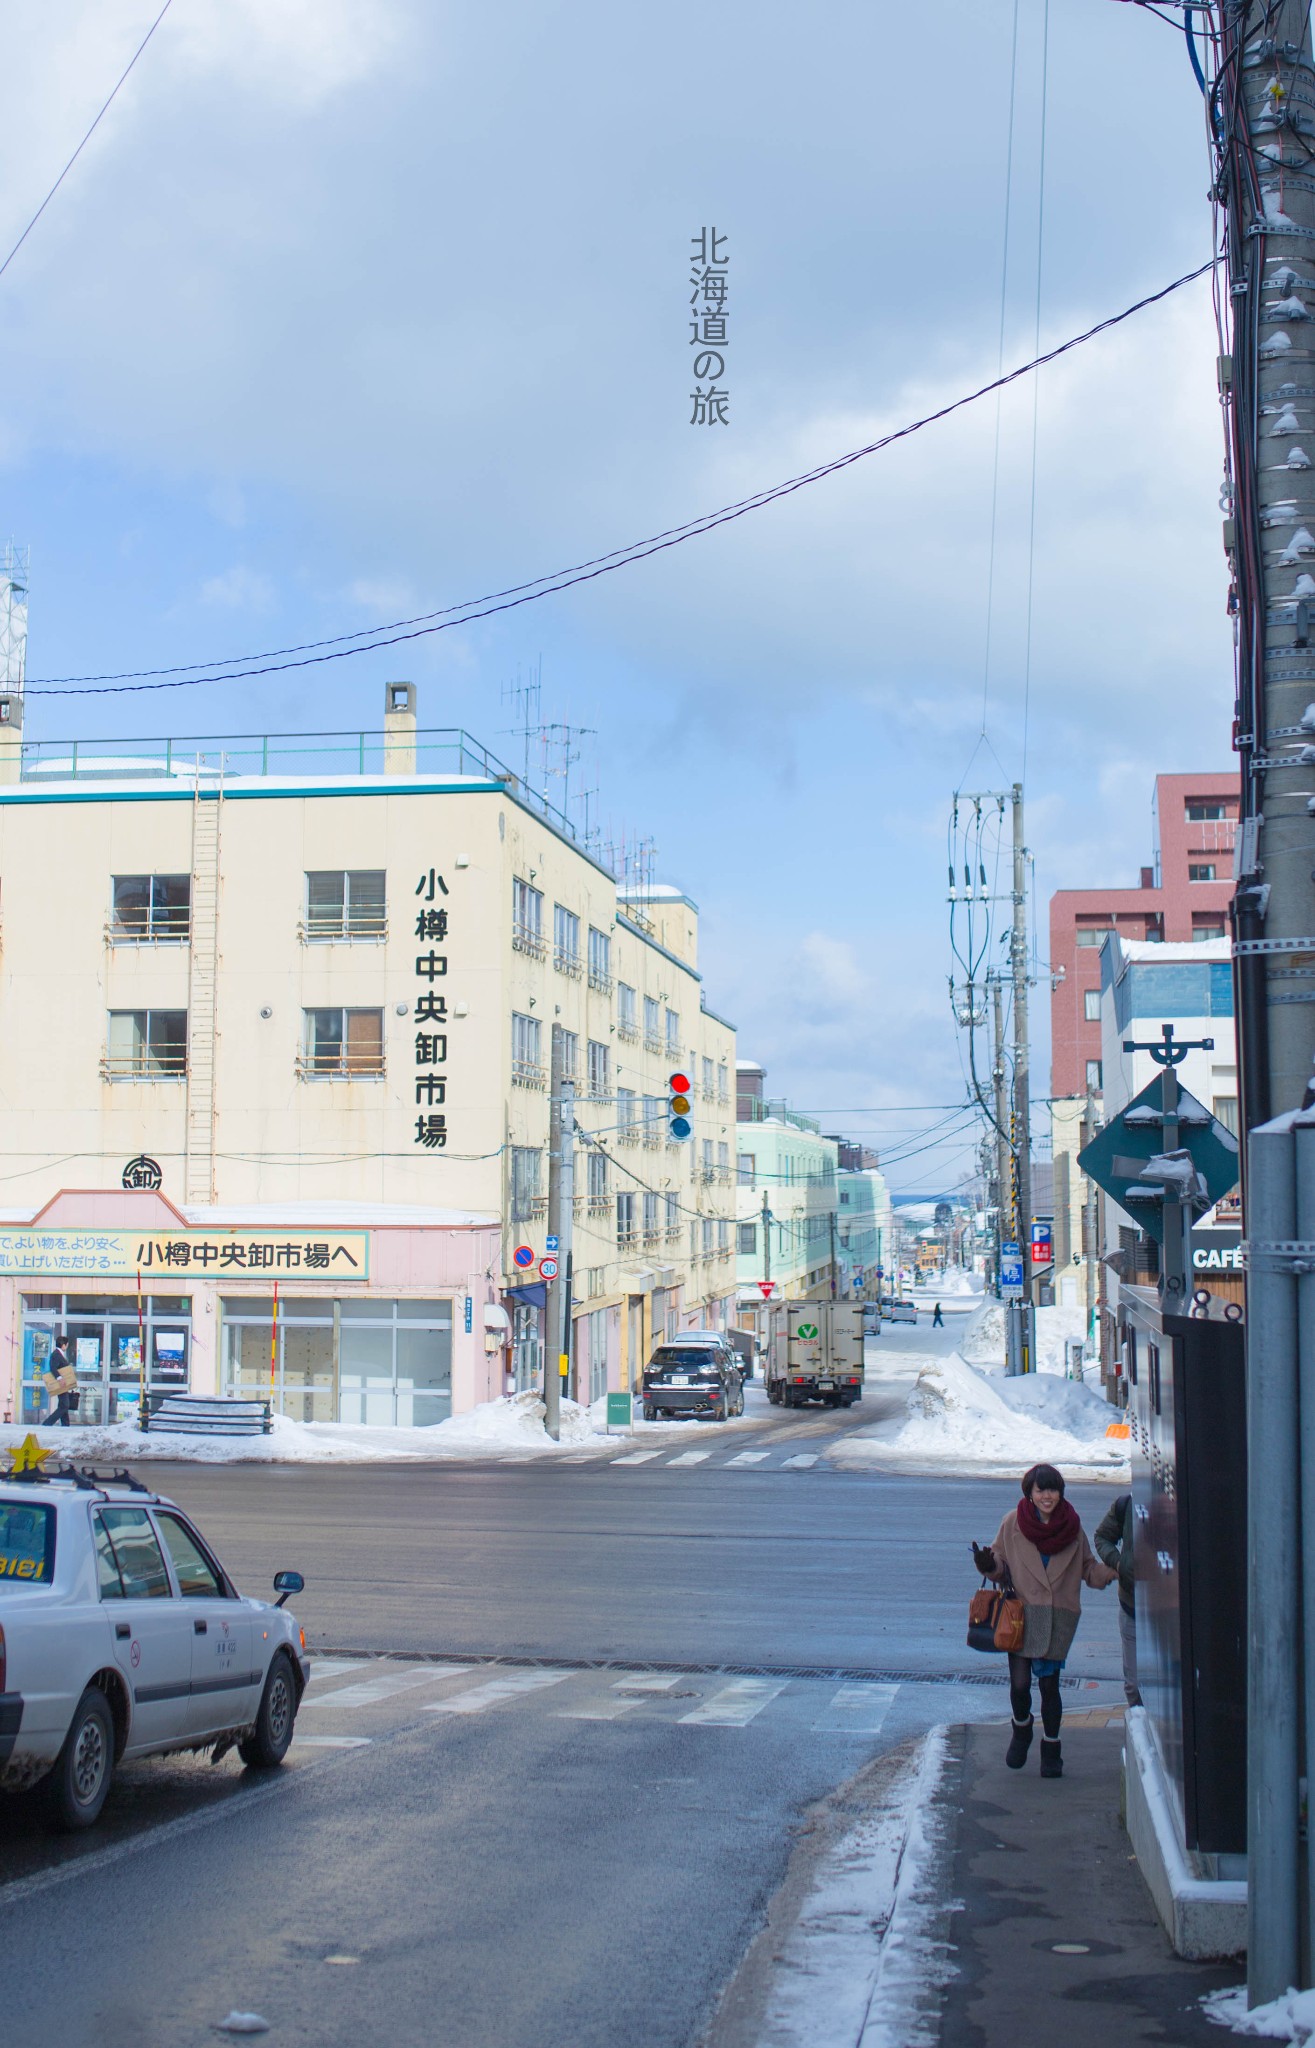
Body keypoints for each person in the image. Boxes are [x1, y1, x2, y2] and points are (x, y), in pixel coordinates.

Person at [973, 1463, 1116, 1780]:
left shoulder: (1073, 1529)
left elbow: (1089, 1570)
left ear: (1060, 1492)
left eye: (1052, 1489)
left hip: (1056, 1617)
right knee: (1021, 1684)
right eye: (1041, 1490)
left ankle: (1052, 1750)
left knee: (1050, 1687)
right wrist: (986, 1563)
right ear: (1030, 1493)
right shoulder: (1012, 1523)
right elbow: (1000, 1564)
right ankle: (1021, 1730)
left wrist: (1116, 1570)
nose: (1047, 1496)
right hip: (1021, 1617)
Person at [1095, 1491, 1141, 1709]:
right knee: (1134, 1685)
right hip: (1131, 1607)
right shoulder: (1127, 1504)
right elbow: (1102, 1536)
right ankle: (1140, 1736)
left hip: (1171, 1612)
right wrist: (1119, 1564)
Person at [42, 1337, 77, 1428]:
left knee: (63, 1404)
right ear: (63, 1345)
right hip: (60, 1383)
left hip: (63, 1383)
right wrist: (59, 1378)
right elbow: (53, 1367)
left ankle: (66, 1425)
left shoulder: (59, 1354)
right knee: (64, 1405)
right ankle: (47, 1423)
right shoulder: (56, 1355)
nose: (67, 1346)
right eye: (67, 1344)